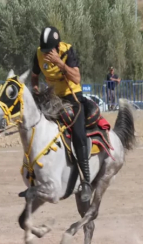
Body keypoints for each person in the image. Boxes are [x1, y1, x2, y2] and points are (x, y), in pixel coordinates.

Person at [19, 26, 92, 202]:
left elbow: (77, 78)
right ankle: (32, 175)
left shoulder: (67, 51)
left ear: (57, 47)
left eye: (49, 50)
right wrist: (35, 87)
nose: (45, 54)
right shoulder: (39, 54)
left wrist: (59, 62)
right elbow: (35, 75)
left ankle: (86, 182)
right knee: (35, 129)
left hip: (72, 98)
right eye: (44, 50)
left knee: (79, 134)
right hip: (52, 98)